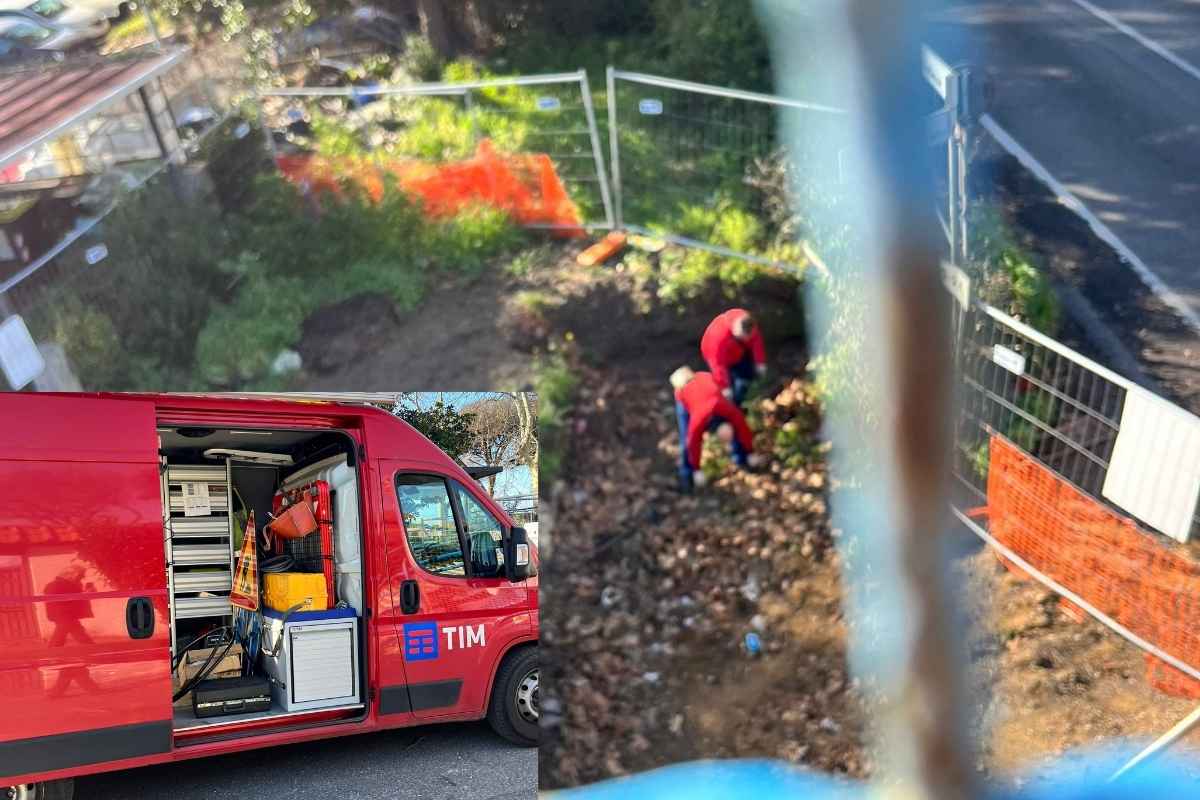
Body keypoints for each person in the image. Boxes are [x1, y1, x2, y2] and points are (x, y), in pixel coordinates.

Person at [671, 366, 763, 493]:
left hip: (702, 379)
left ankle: (742, 459)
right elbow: (693, 442)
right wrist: (697, 469)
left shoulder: (728, 410)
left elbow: (743, 428)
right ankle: (687, 477)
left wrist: (751, 452)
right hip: (684, 392)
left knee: (738, 428)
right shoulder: (698, 418)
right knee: (685, 438)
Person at [701, 308, 767, 407]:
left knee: (746, 375)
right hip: (722, 359)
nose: (748, 339)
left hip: (738, 352)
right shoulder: (718, 339)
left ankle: (748, 390)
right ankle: (737, 406)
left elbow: (756, 340)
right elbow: (717, 365)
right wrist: (725, 387)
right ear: (736, 332)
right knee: (733, 388)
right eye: (744, 338)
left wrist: (760, 362)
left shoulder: (746, 320)